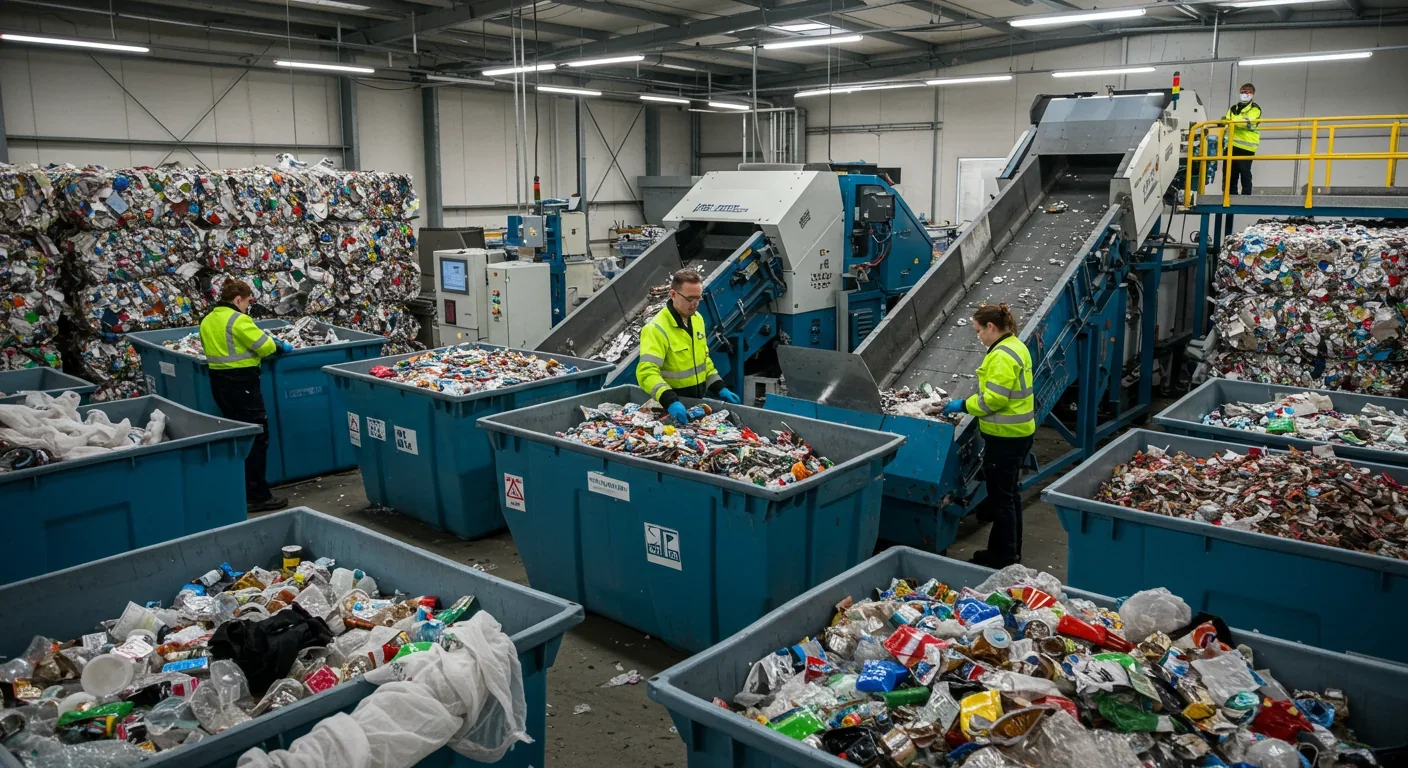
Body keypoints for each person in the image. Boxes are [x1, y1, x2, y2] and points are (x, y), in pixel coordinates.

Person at [940, 303, 1036, 568]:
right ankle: (1011, 552)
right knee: (1010, 495)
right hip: (1019, 433)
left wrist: (963, 405)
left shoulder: (1001, 356)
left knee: (1002, 499)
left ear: (991, 327)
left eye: (979, 331)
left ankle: (1002, 558)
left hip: (1005, 437)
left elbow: (994, 400)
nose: (978, 336)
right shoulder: (1016, 345)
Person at [199, 279, 294, 513]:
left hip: (219, 384)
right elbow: (265, 347)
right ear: (237, 299)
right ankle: (258, 496)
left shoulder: (208, 319)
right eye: (248, 301)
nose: (248, 306)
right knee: (257, 437)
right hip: (243, 384)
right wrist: (279, 346)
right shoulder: (238, 319)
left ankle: (239, 489)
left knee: (239, 437)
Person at [637, 269, 741, 422]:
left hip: (696, 404)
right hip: (670, 409)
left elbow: (703, 360)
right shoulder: (656, 329)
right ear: (673, 294)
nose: (695, 304)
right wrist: (670, 401)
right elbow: (646, 373)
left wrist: (719, 387)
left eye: (698, 298)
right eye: (690, 298)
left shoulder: (697, 319)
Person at [1223, 83, 1262, 195]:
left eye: (1247, 91)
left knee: (1244, 171)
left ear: (1252, 94)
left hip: (1246, 146)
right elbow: (1226, 121)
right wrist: (1235, 121)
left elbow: (1245, 122)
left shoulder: (1255, 109)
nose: (1244, 93)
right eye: (1242, 91)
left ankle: (1246, 195)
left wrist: (1234, 121)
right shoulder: (1233, 108)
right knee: (1230, 173)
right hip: (1230, 145)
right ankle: (1230, 195)